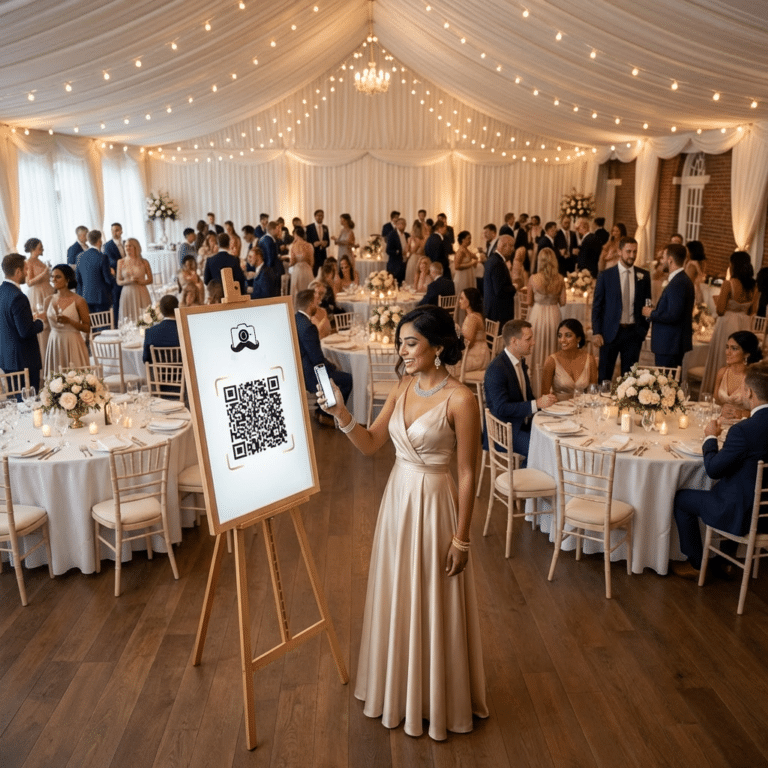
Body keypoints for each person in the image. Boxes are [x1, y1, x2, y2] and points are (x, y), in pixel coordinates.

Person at [316, 304, 488, 740]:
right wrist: (341, 415)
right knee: (399, 592)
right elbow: (371, 444)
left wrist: (462, 538)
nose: (402, 351)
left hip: (435, 504)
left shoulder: (462, 400)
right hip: (397, 501)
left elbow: (468, 473)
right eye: (401, 344)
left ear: (438, 347)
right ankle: (398, 689)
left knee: (432, 596)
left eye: (411, 343)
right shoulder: (402, 387)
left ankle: (435, 699)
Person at [672, 362, 768, 579]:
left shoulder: (743, 430)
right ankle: (726, 561)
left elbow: (713, 470)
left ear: (749, 392)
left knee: (681, 499)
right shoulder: (747, 427)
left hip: (742, 513)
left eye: (743, 387)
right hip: (765, 514)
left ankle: (696, 564)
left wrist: (710, 438)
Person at [484, 319, 557, 461]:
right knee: (544, 450)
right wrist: (537, 403)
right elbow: (501, 408)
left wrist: (545, 404)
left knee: (554, 439)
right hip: (504, 431)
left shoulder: (519, 362)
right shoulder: (496, 369)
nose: (533, 342)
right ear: (514, 341)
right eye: (528, 339)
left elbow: (527, 398)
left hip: (522, 424)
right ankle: (523, 474)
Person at [592, 236, 652, 382]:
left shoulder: (643, 276)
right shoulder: (606, 275)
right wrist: (597, 331)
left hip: (633, 334)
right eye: (628, 251)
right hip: (609, 333)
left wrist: (643, 330)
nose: (632, 255)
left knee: (629, 380)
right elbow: (597, 306)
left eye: (635, 251)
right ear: (619, 251)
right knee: (604, 377)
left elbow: (648, 304)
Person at [700, 251, 759, 395]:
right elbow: (753, 310)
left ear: (733, 266)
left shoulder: (728, 284)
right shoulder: (753, 286)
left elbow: (720, 310)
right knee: (740, 359)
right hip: (745, 324)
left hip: (727, 324)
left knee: (724, 357)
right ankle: (738, 393)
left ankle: (718, 393)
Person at [295, 289, 351, 427]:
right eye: (315, 302)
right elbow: (317, 360)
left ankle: (320, 411)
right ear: (310, 304)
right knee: (348, 380)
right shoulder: (309, 327)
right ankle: (327, 415)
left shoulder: (296, 319)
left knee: (336, 372)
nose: (318, 304)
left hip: (301, 371)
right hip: (311, 375)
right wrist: (332, 366)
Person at [642, 242, 695, 369]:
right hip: (672, 343)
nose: (662, 261)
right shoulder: (682, 279)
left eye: (663, 257)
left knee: (666, 379)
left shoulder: (678, 283)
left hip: (669, 344)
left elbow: (673, 315)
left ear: (670, 260)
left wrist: (651, 313)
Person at [0, 253, 45, 390]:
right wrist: (40, 321)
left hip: (6, 358)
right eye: (26, 269)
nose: (27, 273)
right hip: (24, 360)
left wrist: (28, 319)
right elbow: (25, 332)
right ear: (18, 271)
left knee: (15, 398)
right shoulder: (18, 297)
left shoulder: (2, 292)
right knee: (29, 399)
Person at [526, 247, 565, 394]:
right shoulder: (560, 279)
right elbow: (563, 302)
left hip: (537, 315)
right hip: (554, 315)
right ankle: (552, 388)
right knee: (553, 349)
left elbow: (529, 301)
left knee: (536, 349)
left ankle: (536, 388)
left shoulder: (533, 278)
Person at [43, 264, 90, 377]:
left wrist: (69, 321)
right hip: (54, 342)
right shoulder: (48, 300)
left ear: (67, 279)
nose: (53, 279)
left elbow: (87, 328)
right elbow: (45, 325)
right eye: (52, 276)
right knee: (55, 380)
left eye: (58, 277)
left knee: (76, 379)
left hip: (73, 343)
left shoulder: (79, 301)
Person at [540, 319, 597, 400]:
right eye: (560, 336)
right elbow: (544, 395)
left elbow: (593, 392)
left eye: (568, 335)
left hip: (582, 406)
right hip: (558, 406)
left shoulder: (590, 359)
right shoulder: (551, 361)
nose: (562, 340)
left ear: (578, 338)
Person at [713, 331, 763, 420]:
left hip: (746, 424)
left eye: (734, 348)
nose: (728, 352)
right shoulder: (722, 372)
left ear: (747, 353)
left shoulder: (754, 378)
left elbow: (762, 412)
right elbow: (716, 402)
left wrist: (743, 413)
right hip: (722, 421)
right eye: (727, 347)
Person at [23, 238, 53, 359]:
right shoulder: (28, 262)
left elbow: (45, 277)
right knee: (43, 324)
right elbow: (29, 282)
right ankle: (45, 358)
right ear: (32, 248)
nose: (42, 249)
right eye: (39, 247)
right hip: (38, 295)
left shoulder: (40, 261)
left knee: (51, 323)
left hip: (48, 293)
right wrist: (44, 272)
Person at [76, 230, 114, 315]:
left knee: (92, 322)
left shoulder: (79, 257)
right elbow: (108, 280)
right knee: (104, 322)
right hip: (101, 298)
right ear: (99, 241)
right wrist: (114, 277)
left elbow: (78, 279)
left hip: (86, 297)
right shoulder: (102, 257)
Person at [116, 238, 153, 323]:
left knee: (144, 318)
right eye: (126, 246)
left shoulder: (144, 262)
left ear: (136, 247)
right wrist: (129, 281)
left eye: (130, 246)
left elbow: (150, 280)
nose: (127, 248)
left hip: (142, 292)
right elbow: (118, 281)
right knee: (129, 319)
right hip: (127, 293)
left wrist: (140, 282)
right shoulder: (120, 262)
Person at [483, 234, 516, 327]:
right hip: (499, 311)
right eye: (511, 246)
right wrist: (514, 287)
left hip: (492, 308)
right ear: (503, 246)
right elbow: (500, 291)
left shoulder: (492, 259)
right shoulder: (498, 263)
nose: (513, 249)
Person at [456, 287, 490, 373]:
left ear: (469, 301)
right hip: (479, 353)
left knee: (444, 360)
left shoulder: (472, 318)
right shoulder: (475, 314)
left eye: (461, 298)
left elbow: (468, 344)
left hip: (476, 357)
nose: (459, 301)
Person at [142, 295, 180, 363]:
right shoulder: (185, 330)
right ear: (177, 308)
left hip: (159, 370)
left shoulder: (150, 332)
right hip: (184, 369)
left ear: (161, 310)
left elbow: (145, 359)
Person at [452, 231, 478, 319]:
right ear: (463, 240)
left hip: (467, 277)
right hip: (462, 278)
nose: (470, 240)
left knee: (469, 299)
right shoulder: (460, 251)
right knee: (463, 299)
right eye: (468, 238)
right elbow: (456, 266)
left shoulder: (466, 250)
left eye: (470, 238)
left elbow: (475, 257)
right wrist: (471, 264)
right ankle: (461, 320)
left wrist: (476, 258)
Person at [102, 222, 125, 321]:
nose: (114, 233)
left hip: (128, 276)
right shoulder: (107, 245)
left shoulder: (126, 243)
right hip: (116, 277)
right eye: (112, 231)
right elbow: (112, 262)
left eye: (116, 230)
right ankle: (116, 323)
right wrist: (127, 264)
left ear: (121, 231)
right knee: (117, 301)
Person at [288, 225, 315, 299]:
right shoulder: (309, 245)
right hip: (307, 270)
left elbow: (292, 261)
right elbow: (312, 261)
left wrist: (289, 265)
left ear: (295, 234)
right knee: (308, 292)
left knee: (298, 293)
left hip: (297, 271)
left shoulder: (293, 246)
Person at [385, 216, 408, 283]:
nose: (403, 225)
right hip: (394, 265)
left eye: (404, 224)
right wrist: (399, 252)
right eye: (401, 223)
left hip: (405, 264)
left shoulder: (407, 235)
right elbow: (388, 250)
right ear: (397, 225)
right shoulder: (392, 235)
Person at [306, 209, 329, 275]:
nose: (320, 217)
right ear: (315, 216)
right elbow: (307, 241)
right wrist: (314, 244)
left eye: (321, 216)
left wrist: (325, 243)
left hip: (323, 254)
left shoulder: (325, 227)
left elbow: (328, 242)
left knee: (323, 273)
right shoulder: (309, 227)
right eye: (318, 215)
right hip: (313, 254)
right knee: (314, 273)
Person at [684, 240, 707, 305]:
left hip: (692, 291)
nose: (686, 252)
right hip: (696, 289)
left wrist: (688, 265)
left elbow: (687, 279)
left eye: (687, 250)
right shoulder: (701, 262)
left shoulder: (693, 264)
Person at [404, 220, 426, 285]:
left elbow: (413, 251)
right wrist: (408, 243)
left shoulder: (419, 240)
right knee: (413, 277)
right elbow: (407, 251)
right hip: (415, 259)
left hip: (416, 259)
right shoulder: (411, 239)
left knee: (416, 278)